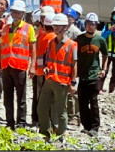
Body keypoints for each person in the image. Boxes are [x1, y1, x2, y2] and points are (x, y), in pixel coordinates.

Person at [37, 13, 79, 142]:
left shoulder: (72, 45)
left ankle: (60, 135)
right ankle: (45, 133)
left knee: (61, 111)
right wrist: (45, 67)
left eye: (59, 26)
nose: (55, 28)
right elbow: (48, 59)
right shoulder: (51, 42)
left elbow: (74, 64)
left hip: (62, 81)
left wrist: (73, 83)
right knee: (41, 108)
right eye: (54, 25)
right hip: (50, 79)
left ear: (65, 27)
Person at [0, 0, 37, 130]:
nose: (15, 14)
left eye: (18, 12)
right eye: (14, 12)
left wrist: (32, 66)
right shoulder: (5, 28)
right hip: (6, 66)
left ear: (23, 14)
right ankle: (10, 122)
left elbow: (33, 48)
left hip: (20, 66)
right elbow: (2, 46)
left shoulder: (28, 28)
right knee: (7, 97)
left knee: (21, 97)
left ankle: (21, 122)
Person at [76, 12, 109, 136]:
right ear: (85, 24)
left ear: (96, 26)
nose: (91, 26)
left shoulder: (100, 40)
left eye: (94, 24)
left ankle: (95, 127)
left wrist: (104, 69)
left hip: (94, 75)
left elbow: (105, 55)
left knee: (93, 101)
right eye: (89, 24)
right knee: (82, 102)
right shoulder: (80, 39)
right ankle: (86, 126)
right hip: (82, 75)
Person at [32, 13, 56, 127]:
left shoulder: (41, 36)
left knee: (40, 97)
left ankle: (39, 120)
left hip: (39, 71)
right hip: (48, 72)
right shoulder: (53, 37)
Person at [62, 7, 83, 125]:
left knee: (74, 90)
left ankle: (75, 116)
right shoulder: (61, 29)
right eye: (66, 16)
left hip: (73, 63)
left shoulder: (75, 32)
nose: (68, 19)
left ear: (74, 19)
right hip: (63, 64)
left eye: (70, 17)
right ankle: (68, 114)